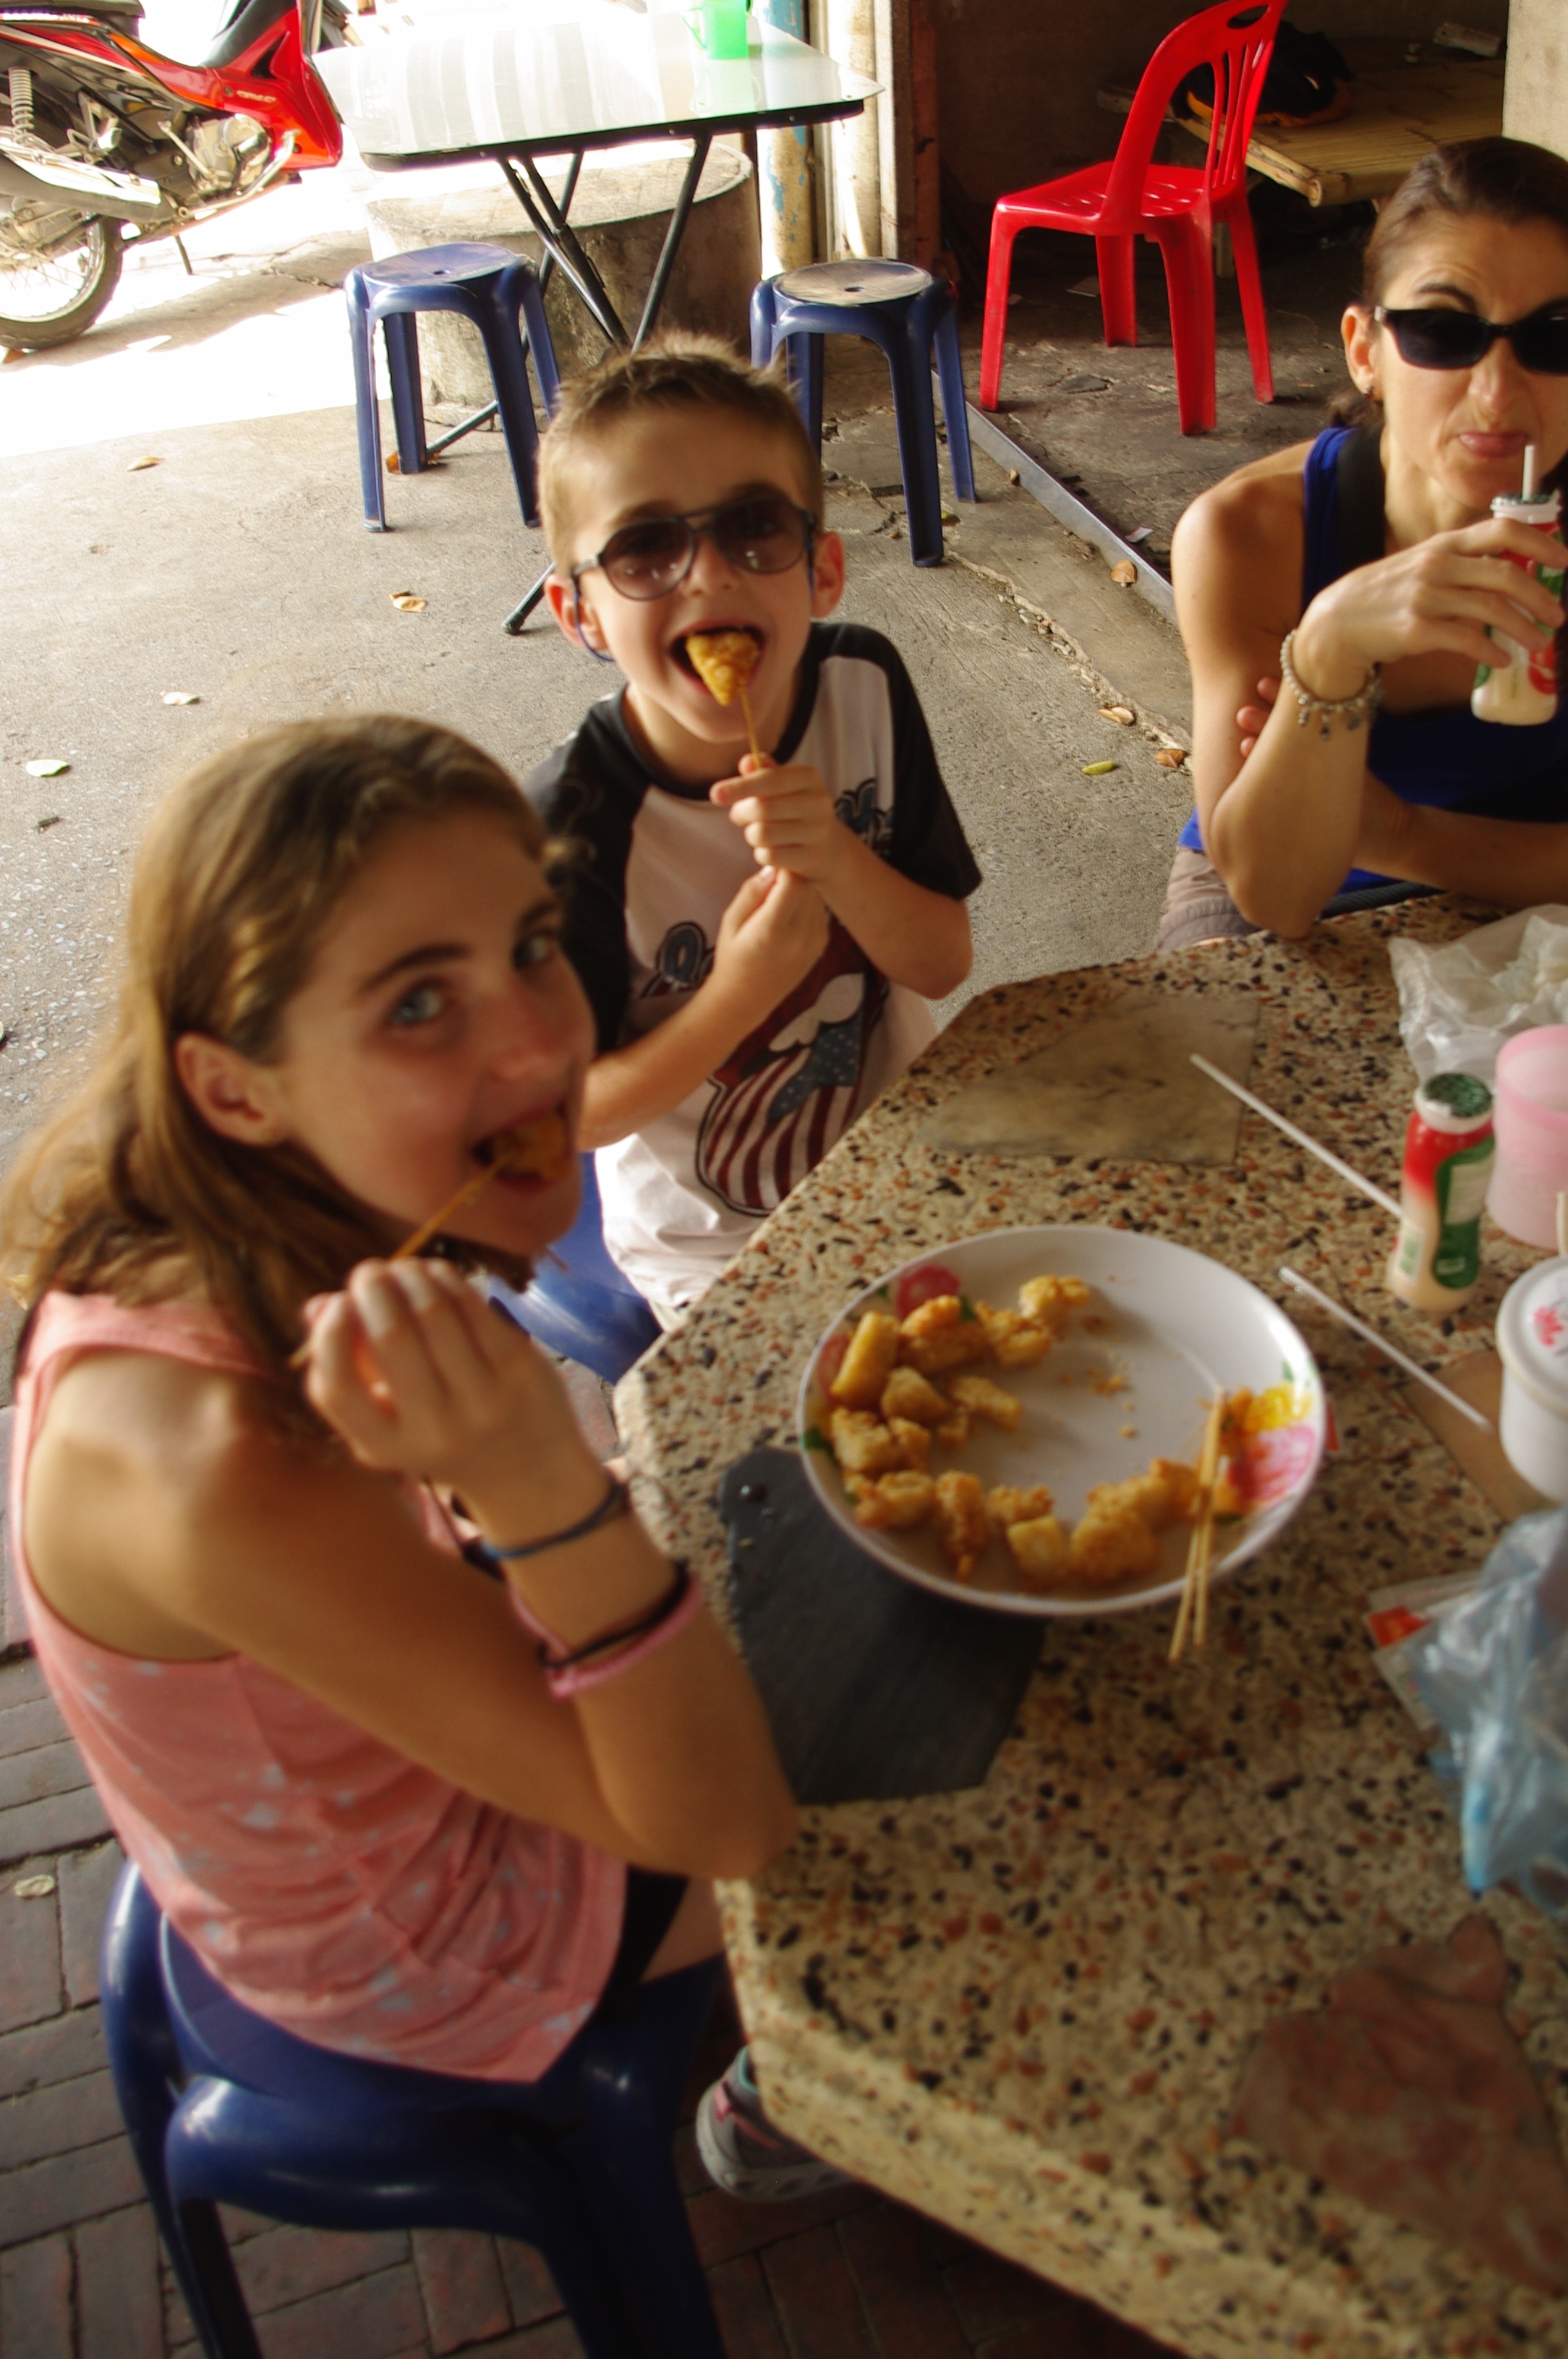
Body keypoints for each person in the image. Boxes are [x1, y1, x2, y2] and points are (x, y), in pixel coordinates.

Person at [0, 714, 840, 2199]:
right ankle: (818, 2078)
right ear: (234, 1085)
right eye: (415, 1003)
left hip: (379, 1729)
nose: (540, 1042)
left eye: (531, 945)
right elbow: (727, 1821)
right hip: (433, 1936)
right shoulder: (217, 1468)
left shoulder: (244, 1194)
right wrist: (538, 1488)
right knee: (925, 1759)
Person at [1159, 137, 1568, 945]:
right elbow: (1276, 892)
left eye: (1557, 337)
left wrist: (1402, 834)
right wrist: (1331, 643)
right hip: (1277, 884)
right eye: (1444, 331)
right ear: (1366, 351)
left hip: (1531, 877)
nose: (1498, 392)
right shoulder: (1247, 531)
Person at [533, 341, 979, 1327]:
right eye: (644, 548)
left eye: (752, 527)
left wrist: (838, 859)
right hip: (714, 1237)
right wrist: (741, 990)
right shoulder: (571, 824)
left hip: (905, 1157)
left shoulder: (863, 686)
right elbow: (580, 1111)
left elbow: (944, 963)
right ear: (581, 614)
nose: (706, 575)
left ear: (822, 570)